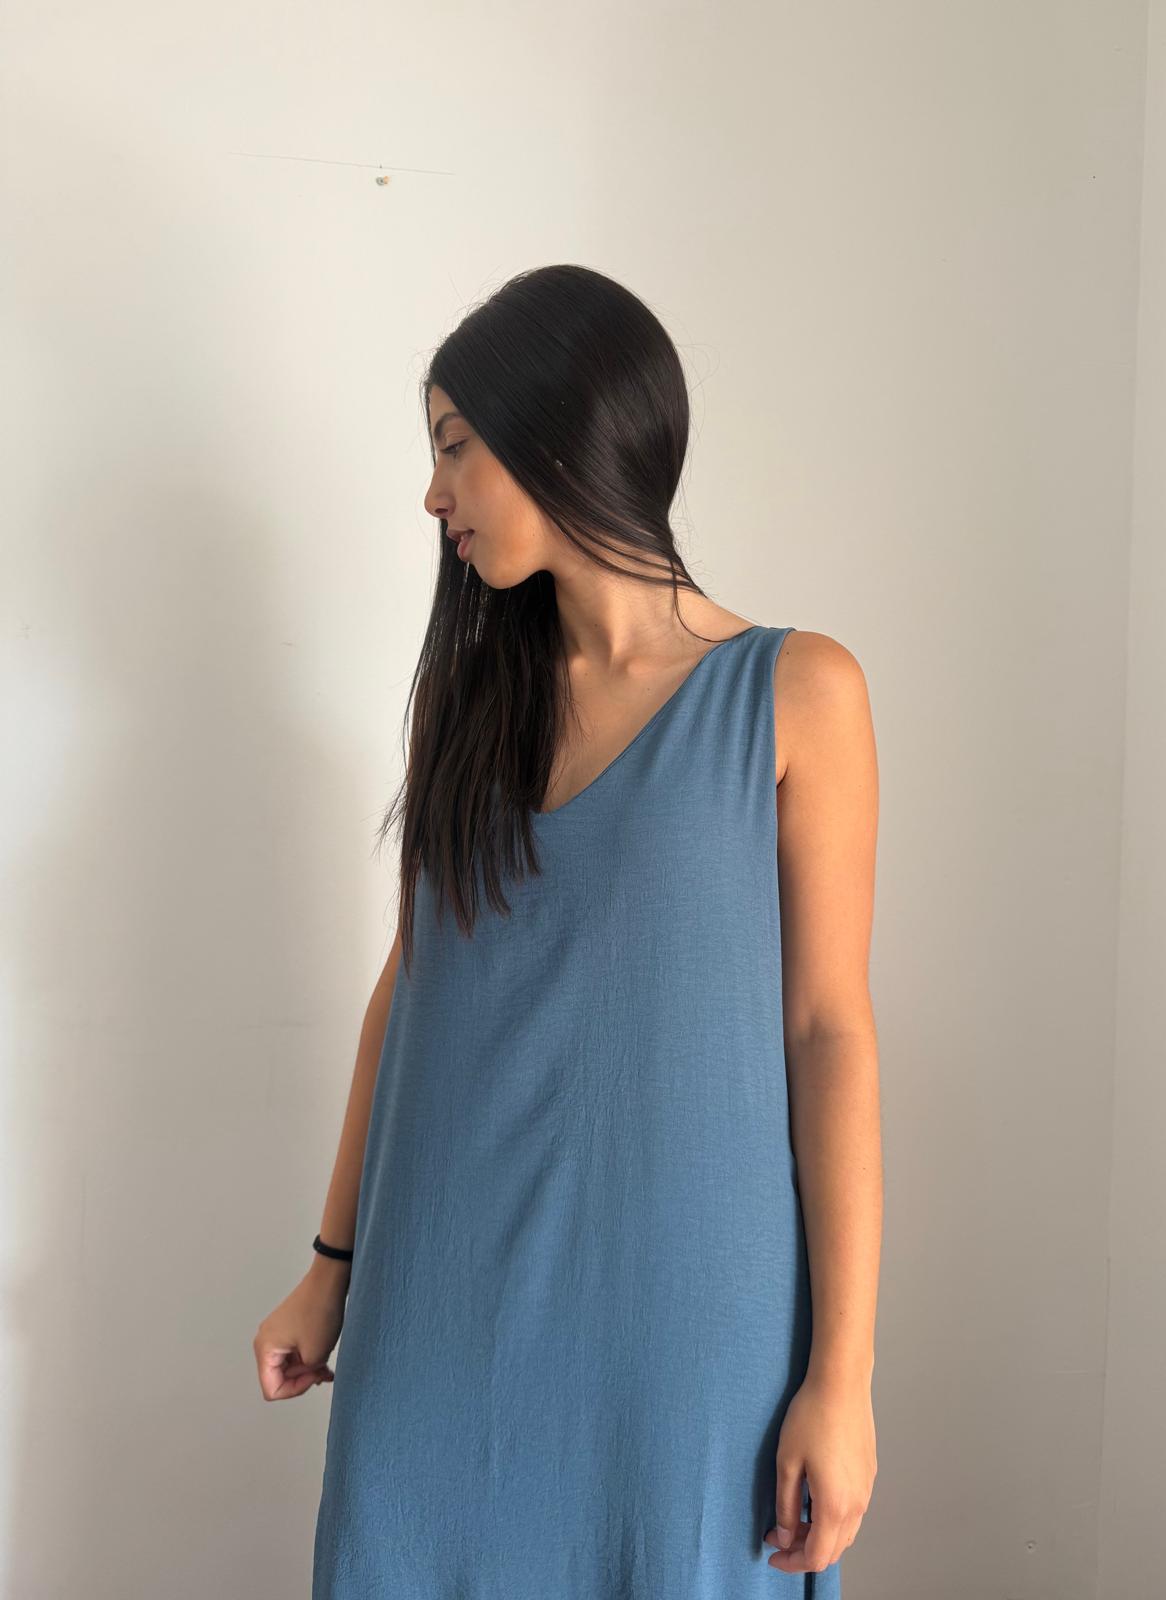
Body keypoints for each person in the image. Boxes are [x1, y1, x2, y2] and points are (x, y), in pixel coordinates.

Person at [253, 264, 882, 1597]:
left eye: (453, 447)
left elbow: (828, 1034)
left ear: (555, 433)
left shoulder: (797, 694)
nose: (433, 496)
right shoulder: (470, 706)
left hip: (688, 1338)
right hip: (442, 1304)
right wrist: (330, 1268)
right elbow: (409, 990)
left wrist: (843, 1376)